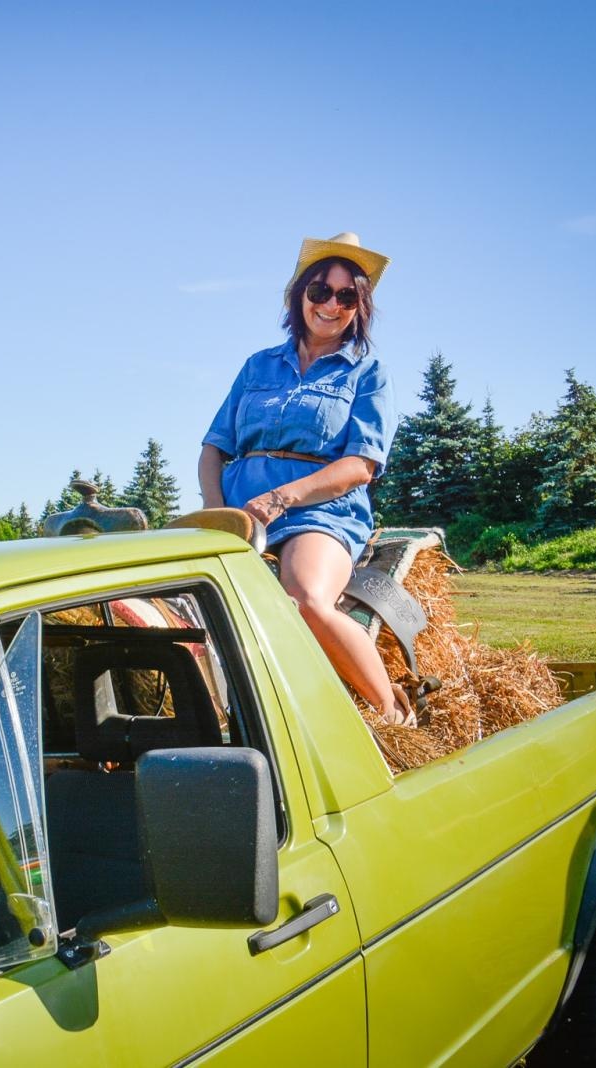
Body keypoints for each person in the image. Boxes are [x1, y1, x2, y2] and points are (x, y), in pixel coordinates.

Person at [198, 232, 412, 725]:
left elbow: (361, 465)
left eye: (346, 296)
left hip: (319, 511)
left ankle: (392, 716)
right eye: (320, 291)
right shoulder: (259, 365)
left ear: (360, 307)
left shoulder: (368, 373)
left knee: (306, 599)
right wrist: (215, 509)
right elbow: (214, 446)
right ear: (299, 297)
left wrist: (283, 497)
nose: (330, 304)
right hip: (238, 511)